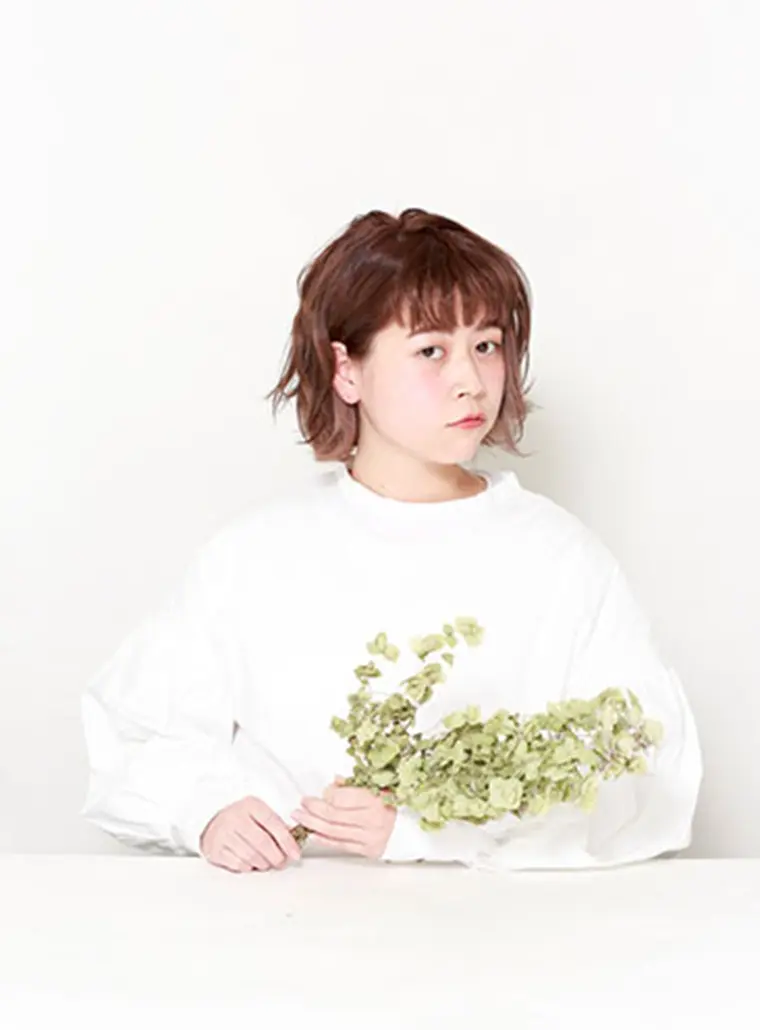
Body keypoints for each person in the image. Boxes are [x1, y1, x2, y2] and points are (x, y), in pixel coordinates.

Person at [80, 207, 703, 874]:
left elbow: (649, 782)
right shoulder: (257, 556)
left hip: (494, 925)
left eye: (487, 345)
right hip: (286, 914)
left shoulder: (560, 559)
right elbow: (133, 732)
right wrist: (206, 811)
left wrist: (428, 835)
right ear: (346, 369)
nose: (471, 381)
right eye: (431, 350)